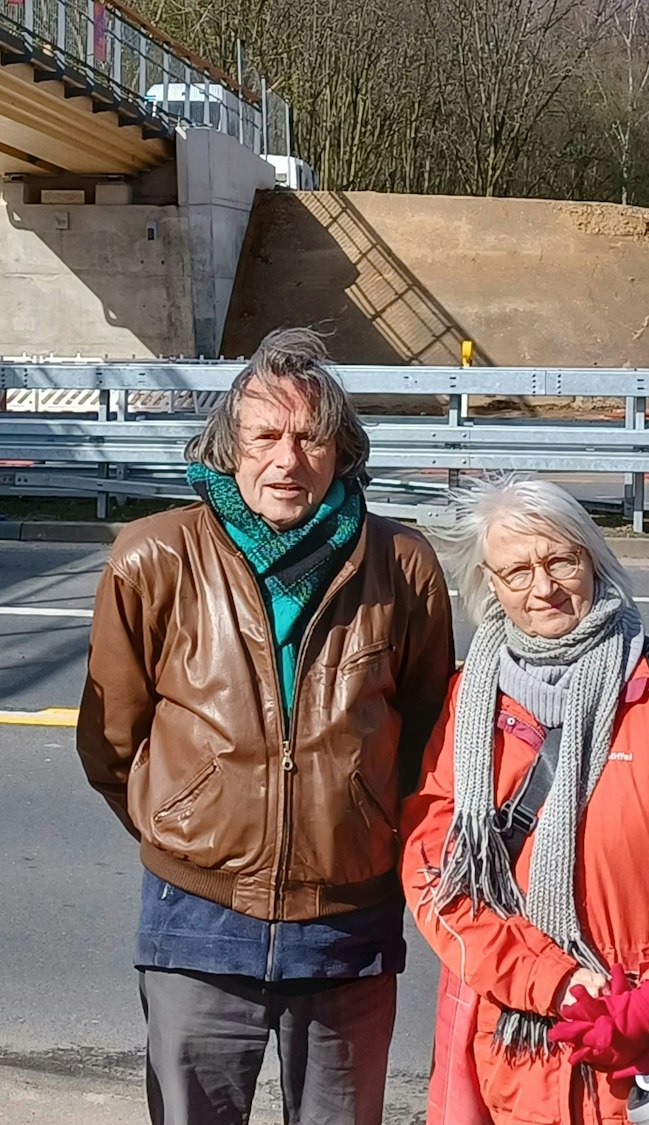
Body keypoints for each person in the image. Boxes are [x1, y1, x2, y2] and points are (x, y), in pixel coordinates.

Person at [78, 327, 456, 1125]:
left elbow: (428, 737)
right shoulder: (154, 557)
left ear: (342, 452)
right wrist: (187, 822)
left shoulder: (404, 564)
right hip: (196, 917)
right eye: (267, 435)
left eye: (311, 437)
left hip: (347, 921)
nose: (288, 459)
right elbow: (112, 740)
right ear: (229, 446)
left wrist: (365, 825)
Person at [399, 476, 649, 1125]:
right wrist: (555, 980)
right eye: (516, 571)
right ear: (489, 584)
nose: (542, 588)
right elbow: (437, 871)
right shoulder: (470, 702)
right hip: (510, 1048)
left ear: (593, 560)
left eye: (559, 560)